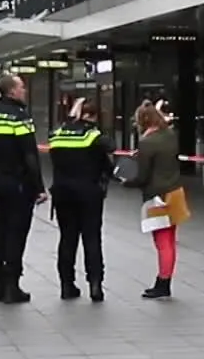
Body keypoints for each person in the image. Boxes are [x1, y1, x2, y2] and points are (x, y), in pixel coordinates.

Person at [0, 74, 46, 303]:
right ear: (12, 91)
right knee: (16, 234)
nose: (24, 91)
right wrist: (39, 187)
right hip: (18, 184)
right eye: (21, 87)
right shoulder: (20, 118)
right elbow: (30, 155)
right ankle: (12, 286)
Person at [47, 99, 116, 302]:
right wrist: (90, 126)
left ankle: (66, 285)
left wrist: (71, 120)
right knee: (91, 239)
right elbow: (110, 146)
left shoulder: (58, 135)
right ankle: (95, 285)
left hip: (62, 194)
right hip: (89, 195)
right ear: (93, 117)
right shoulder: (93, 135)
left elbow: (55, 137)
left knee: (67, 239)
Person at [124, 103, 189, 299]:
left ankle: (162, 283)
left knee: (162, 242)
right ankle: (165, 280)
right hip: (175, 192)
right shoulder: (170, 135)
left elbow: (142, 176)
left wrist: (127, 182)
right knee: (169, 240)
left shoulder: (146, 142)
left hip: (157, 197)